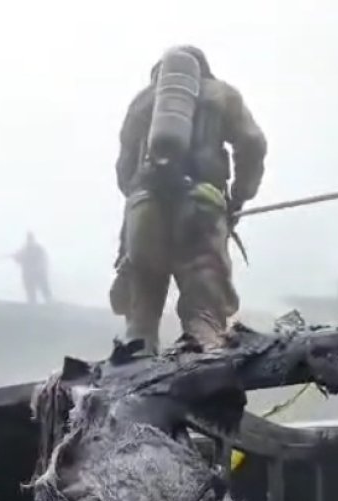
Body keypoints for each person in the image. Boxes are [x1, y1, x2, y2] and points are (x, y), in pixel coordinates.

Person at [109, 46, 267, 353]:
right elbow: (252, 144)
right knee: (204, 298)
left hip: (144, 207)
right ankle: (205, 352)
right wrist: (238, 197)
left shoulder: (143, 101)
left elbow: (124, 166)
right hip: (201, 205)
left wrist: (140, 197)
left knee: (143, 296)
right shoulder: (222, 94)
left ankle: (136, 353)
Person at [14, 231, 51, 304]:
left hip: (39, 273)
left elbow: (44, 260)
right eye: (28, 239)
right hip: (28, 275)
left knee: (45, 289)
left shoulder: (39, 249)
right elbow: (18, 259)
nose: (29, 241)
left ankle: (50, 302)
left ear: (33, 239)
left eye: (31, 239)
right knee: (30, 293)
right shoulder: (24, 250)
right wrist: (16, 256)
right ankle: (32, 304)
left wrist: (40, 268)